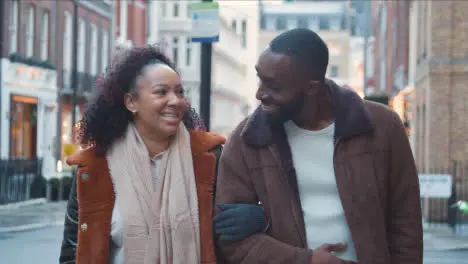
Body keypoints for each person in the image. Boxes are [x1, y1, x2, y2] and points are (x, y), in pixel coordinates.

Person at [214, 28, 423, 264]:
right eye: (260, 79)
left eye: (274, 86)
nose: (260, 93)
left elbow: (406, 226)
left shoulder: (383, 127)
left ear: (311, 87)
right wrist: (306, 260)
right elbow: (231, 239)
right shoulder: (247, 140)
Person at [59, 45, 266, 264]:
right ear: (131, 102)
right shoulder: (93, 167)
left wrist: (260, 218)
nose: (176, 101)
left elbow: (235, 237)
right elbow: (73, 253)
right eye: (161, 92)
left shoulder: (209, 157)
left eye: (179, 92)